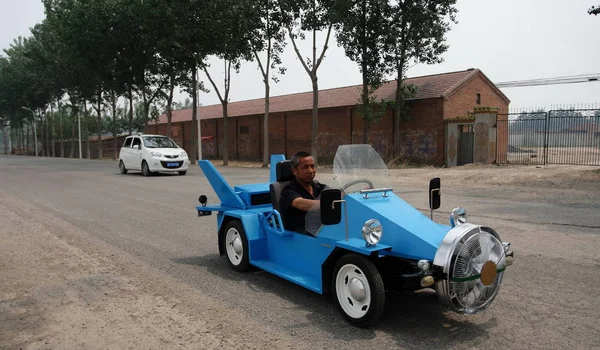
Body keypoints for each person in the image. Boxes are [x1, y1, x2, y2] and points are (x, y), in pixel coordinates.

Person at [279, 151, 328, 233]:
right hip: (302, 233)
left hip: (322, 229)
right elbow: (300, 203)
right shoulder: (288, 190)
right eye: (305, 167)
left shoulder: (319, 187)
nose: (311, 171)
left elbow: (336, 194)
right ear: (294, 171)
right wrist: (329, 203)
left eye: (312, 166)